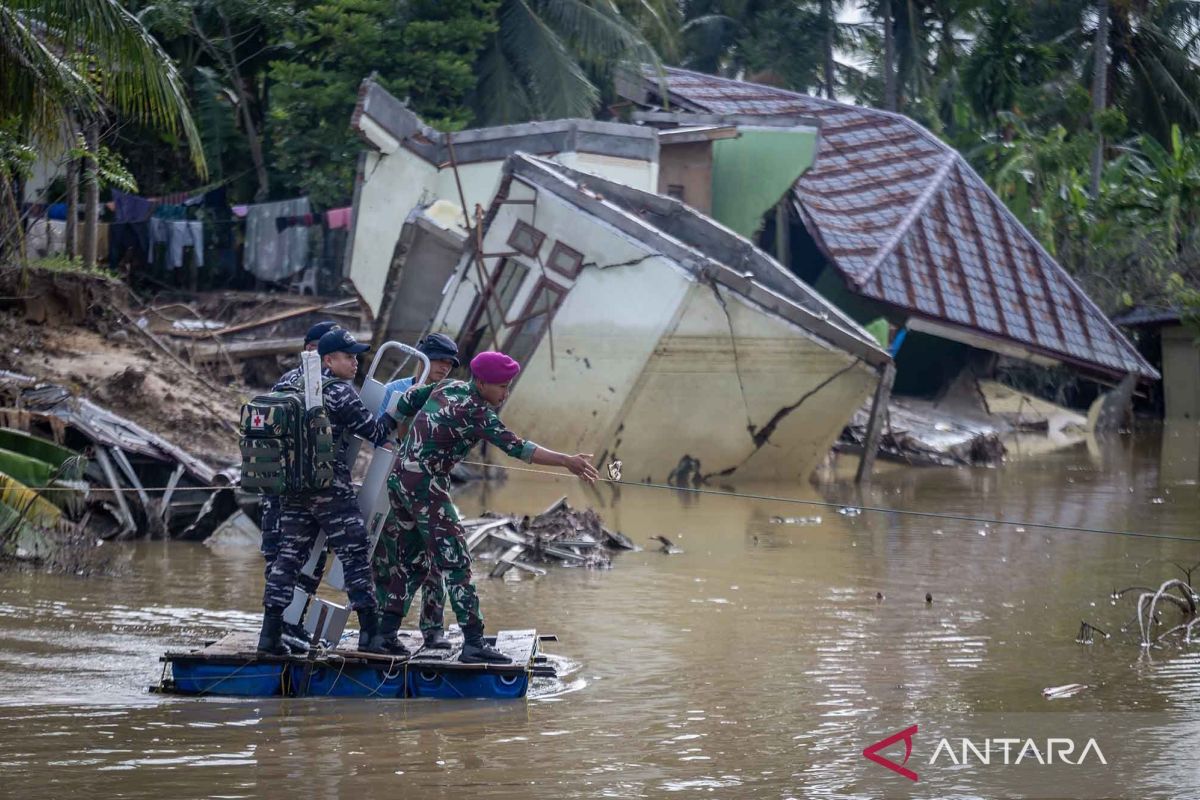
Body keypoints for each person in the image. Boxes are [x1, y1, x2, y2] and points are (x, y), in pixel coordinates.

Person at [384, 350, 599, 663]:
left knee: (409, 561)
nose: (506, 392)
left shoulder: (448, 386)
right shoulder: (476, 411)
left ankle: (384, 635)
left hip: (400, 480)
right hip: (426, 487)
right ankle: (473, 642)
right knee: (457, 563)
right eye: (501, 386)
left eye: (509, 386)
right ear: (482, 382)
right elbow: (518, 447)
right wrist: (567, 461)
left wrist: (407, 443)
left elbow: (404, 403)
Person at [256, 329, 397, 655]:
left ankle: (269, 637)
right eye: (349, 357)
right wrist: (394, 413)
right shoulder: (339, 393)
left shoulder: (286, 382)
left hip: (289, 485)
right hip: (329, 487)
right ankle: (370, 636)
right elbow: (374, 432)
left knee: (288, 558)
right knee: (355, 554)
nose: (355, 363)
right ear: (328, 360)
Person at [371, 333, 460, 654]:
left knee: (436, 560)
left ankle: (433, 629)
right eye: (439, 361)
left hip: (432, 487)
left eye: (450, 364)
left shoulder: (449, 396)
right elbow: (379, 436)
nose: (444, 368)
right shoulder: (396, 391)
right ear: (422, 359)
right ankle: (383, 628)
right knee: (386, 558)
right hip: (392, 485)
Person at [260, 320, 337, 645]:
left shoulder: (320, 383)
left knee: (311, 557)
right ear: (311, 349)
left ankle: (292, 624)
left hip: (301, 486)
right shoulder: (296, 383)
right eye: (330, 350)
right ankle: (278, 629)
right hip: (286, 489)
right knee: (287, 558)